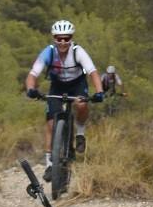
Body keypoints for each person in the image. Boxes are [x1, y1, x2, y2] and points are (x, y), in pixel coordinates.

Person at [25, 19, 104, 181]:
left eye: (66, 38)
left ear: (71, 38)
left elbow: (93, 72)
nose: (62, 42)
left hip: (77, 84)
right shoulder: (49, 52)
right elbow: (33, 74)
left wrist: (99, 91)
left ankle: (80, 133)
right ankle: (49, 165)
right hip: (58, 86)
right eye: (59, 38)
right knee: (50, 123)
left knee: (81, 105)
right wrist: (30, 89)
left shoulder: (78, 51)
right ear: (54, 38)